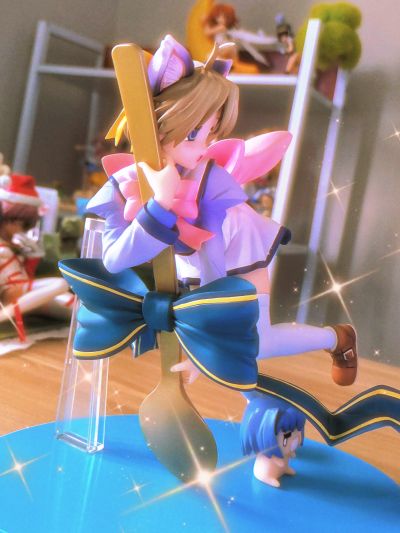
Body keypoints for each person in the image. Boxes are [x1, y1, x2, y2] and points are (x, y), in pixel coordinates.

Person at [87, 34, 357, 388]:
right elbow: (114, 260)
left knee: (255, 344)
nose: (204, 147)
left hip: (238, 251)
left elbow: (214, 271)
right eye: (193, 134)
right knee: (235, 351)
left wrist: (206, 343)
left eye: (211, 133)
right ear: (156, 124)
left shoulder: (210, 185)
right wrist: (160, 203)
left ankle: (338, 338)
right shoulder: (124, 184)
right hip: (193, 264)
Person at [0, 172, 73, 341]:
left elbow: (28, 275)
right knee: (61, 284)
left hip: (29, 296)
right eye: (15, 221)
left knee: (77, 307)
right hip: (12, 293)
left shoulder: (16, 245)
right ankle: (5, 315)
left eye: (24, 223)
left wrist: (33, 255)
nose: (19, 227)